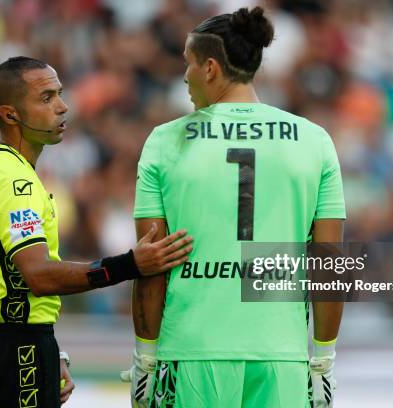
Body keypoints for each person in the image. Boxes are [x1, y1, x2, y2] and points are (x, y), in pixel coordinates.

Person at [122, 7, 345, 408]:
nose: (184, 76)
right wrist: (323, 359)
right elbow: (327, 263)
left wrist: (146, 356)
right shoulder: (315, 141)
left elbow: (151, 265)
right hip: (282, 356)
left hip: (191, 351)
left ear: (209, 68)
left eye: (188, 65)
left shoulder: (165, 141)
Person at [0, 56, 193, 408]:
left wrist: (48, 347)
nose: (63, 106)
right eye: (47, 98)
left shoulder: (4, 169)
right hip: (9, 352)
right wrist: (130, 265)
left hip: (12, 342)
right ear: (10, 114)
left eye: (60, 94)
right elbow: (38, 276)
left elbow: (17, 283)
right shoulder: (14, 181)